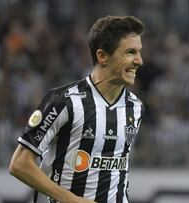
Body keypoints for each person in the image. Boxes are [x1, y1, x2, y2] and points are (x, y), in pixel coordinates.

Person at [9, 15, 145, 203]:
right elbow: (19, 164)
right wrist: (71, 199)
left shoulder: (135, 107)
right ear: (102, 56)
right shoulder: (63, 101)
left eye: (139, 52)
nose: (139, 60)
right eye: (130, 52)